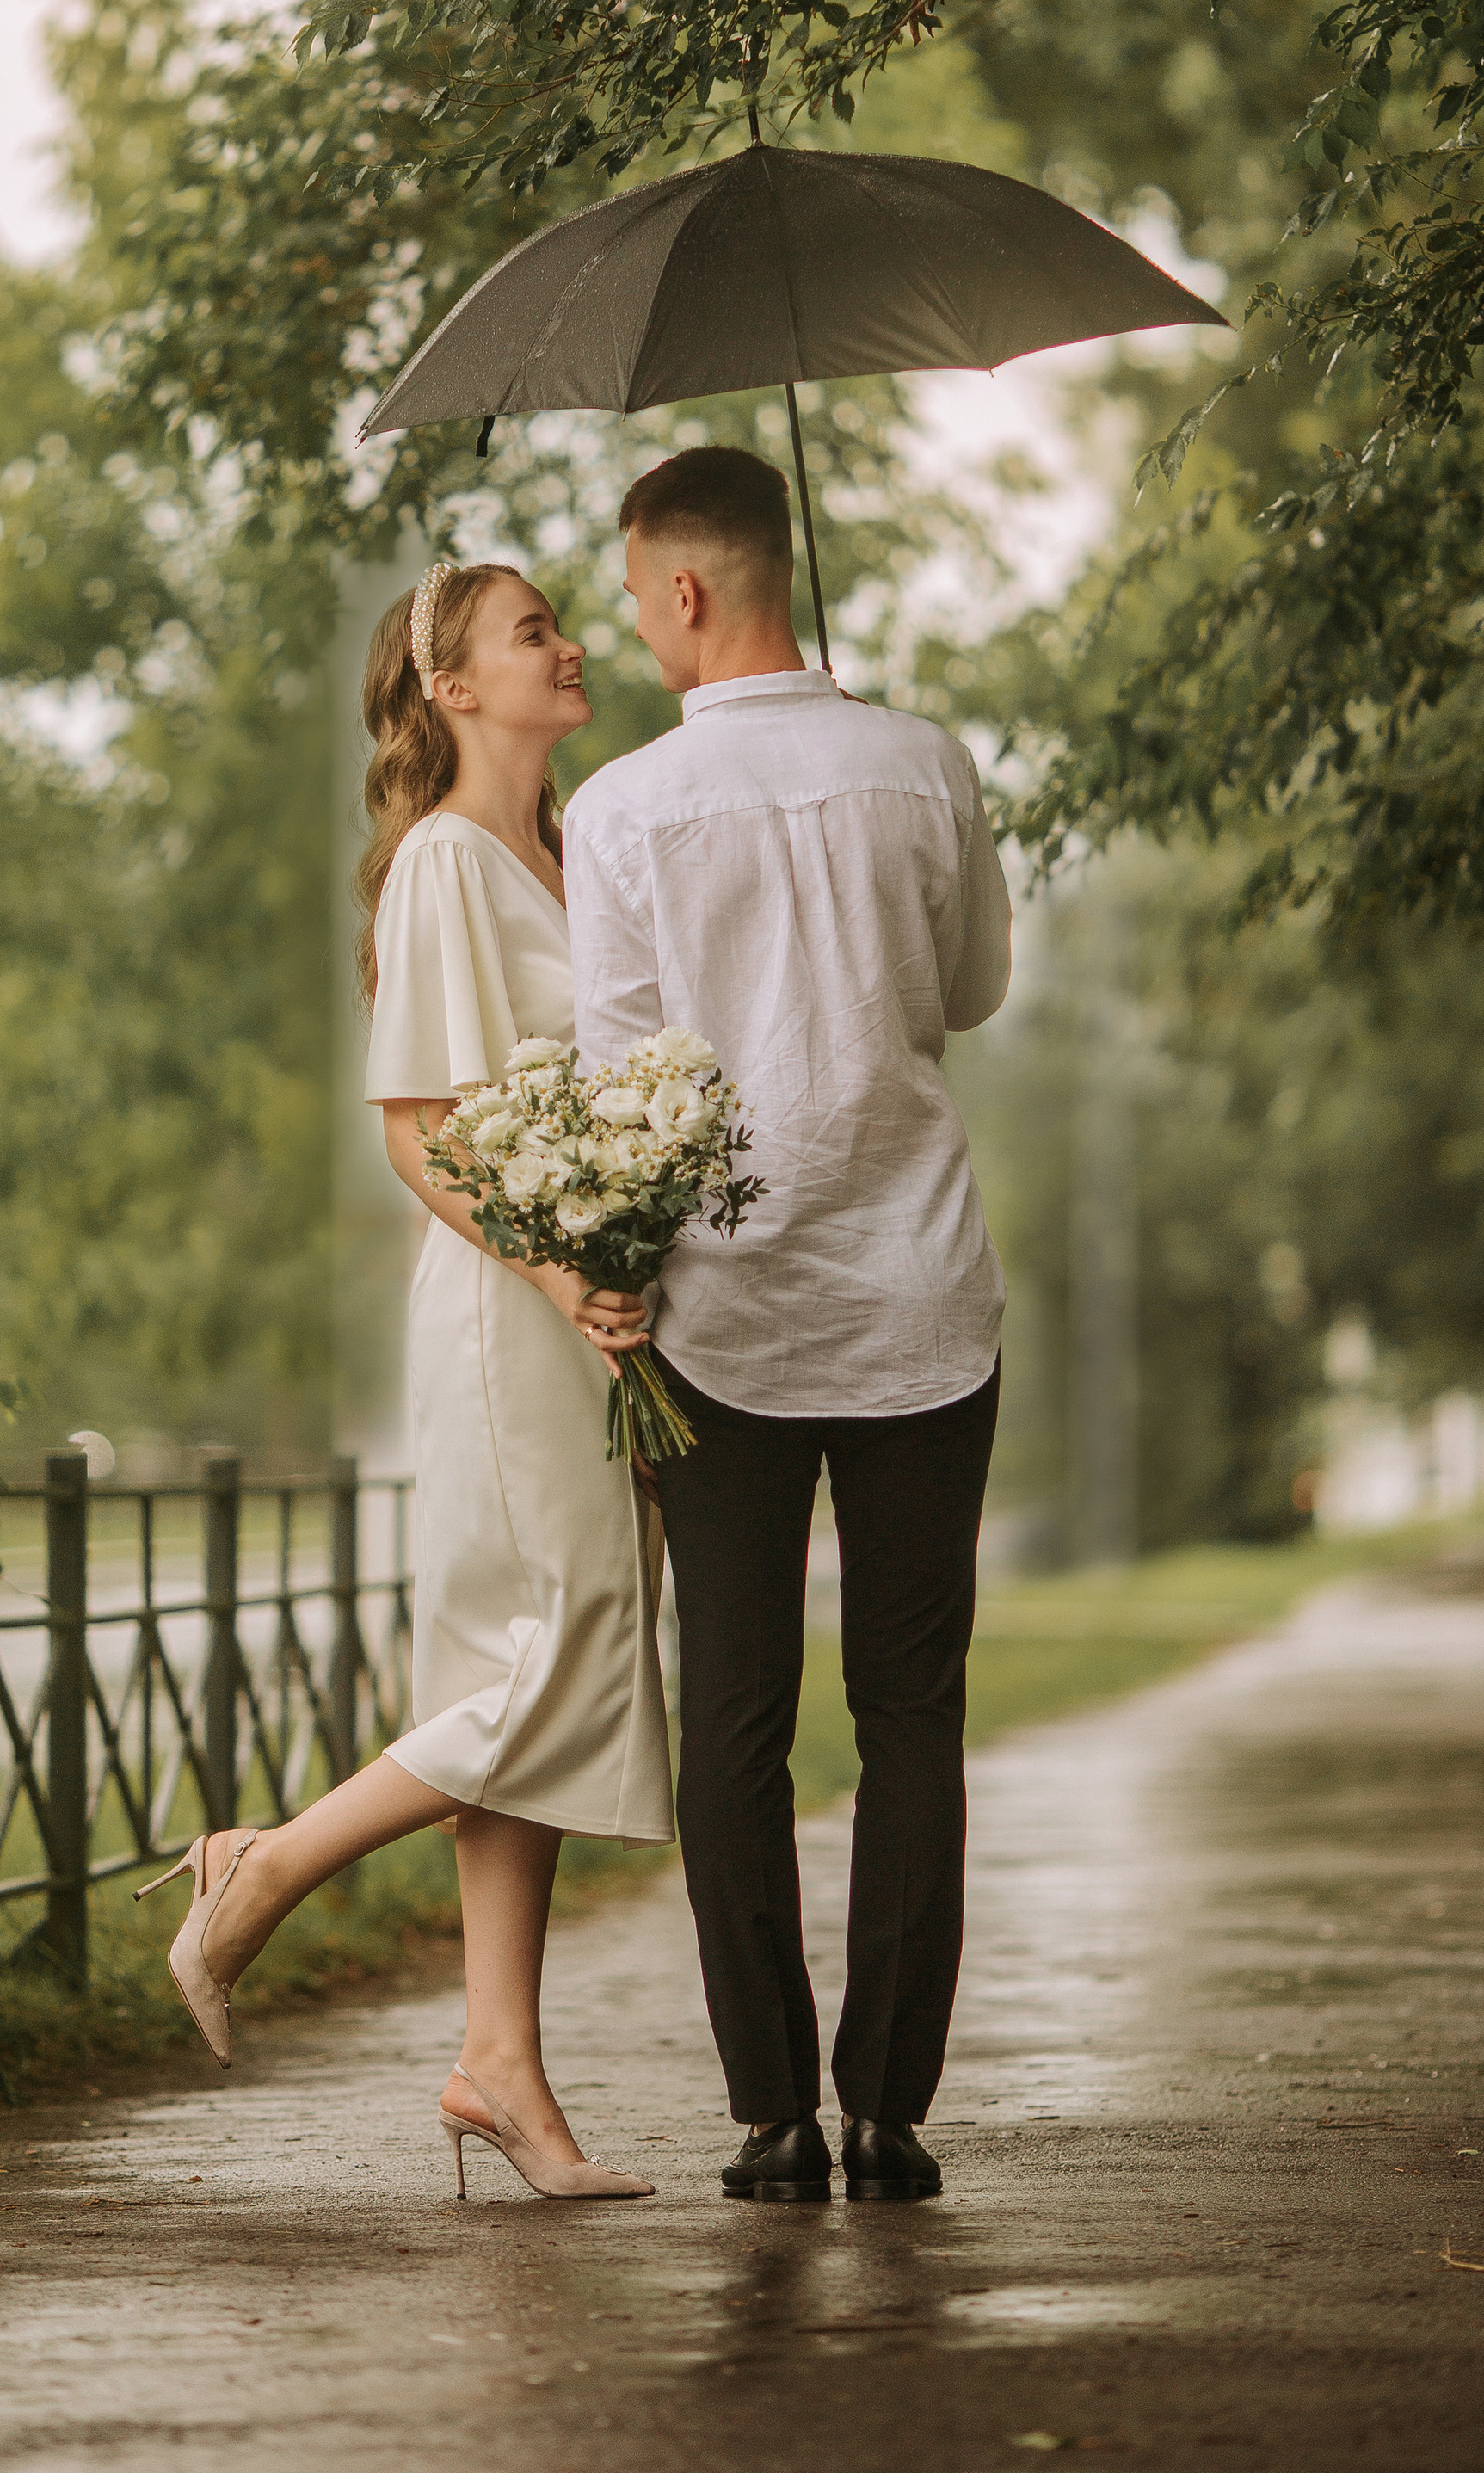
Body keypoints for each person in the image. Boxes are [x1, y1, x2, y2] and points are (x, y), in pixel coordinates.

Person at [146, 558, 672, 2201]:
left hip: (589, 1301)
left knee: (532, 1660)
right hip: (515, 1311)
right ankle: (262, 1868)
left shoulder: (572, 854)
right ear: (452, 687)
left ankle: (499, 2067)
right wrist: (561, 1271)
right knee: (564, 1649)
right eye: (534, 632)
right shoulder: (447, 855)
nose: (570, 645)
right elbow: (420, 1134)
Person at [563, 445, 1011, 2205]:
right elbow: (971, 989)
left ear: (685, 590)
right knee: (911, 1713)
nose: (630, 622)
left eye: (630, 594)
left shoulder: (621, 812)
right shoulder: (928, 762)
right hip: (920, 1301)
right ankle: (889, 2113)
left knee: (733, 1718)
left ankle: (771, 2116)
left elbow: (622, 1081)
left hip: (721, 1321)